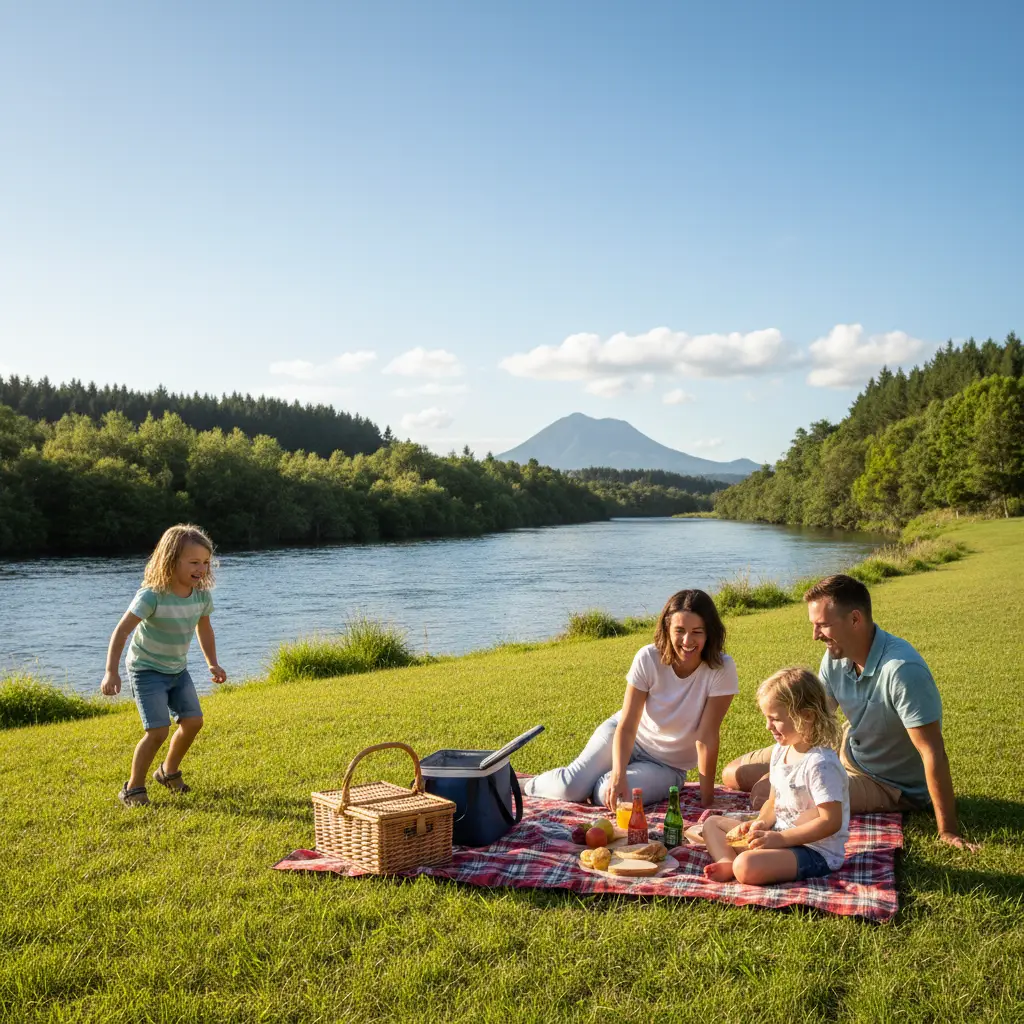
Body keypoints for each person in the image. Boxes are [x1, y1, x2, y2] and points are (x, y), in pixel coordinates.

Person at [722, 573, 977, 850]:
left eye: (823, 625)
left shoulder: (902, 671)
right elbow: (815, 721)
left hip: (886, 782)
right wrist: (788, 766)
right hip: (845, 752)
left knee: (764, 792)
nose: (815, 635)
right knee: (734, 774)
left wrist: (948, 831)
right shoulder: (836, 658)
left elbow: (932, 752)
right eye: (814, 625)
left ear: (855, 619)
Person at [523, 589, 738, 810]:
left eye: (697, 632)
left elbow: (707, 737)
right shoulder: (648, 658)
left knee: (609, 795)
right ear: (667, 629)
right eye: (679, 630)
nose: (687, 640)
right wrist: (618, 773)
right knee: (570, 788)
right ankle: (524, 785)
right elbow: (627, 725)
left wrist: (707, 800)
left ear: (709, 632)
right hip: (627, 736)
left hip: (667, 765)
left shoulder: (721, 669)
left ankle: (596, 783)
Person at [101, 524, 227, 807]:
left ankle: (168, 772)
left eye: (206, 562)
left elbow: (204, 629)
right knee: (157, 731)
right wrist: (111, 671)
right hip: (146, 670)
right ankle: (133, 788)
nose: (202, 568)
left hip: (177, 670)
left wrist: (212, 663)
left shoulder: (201, 595)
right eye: (194, 562)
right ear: (171, 561)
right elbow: (121, 631)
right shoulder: (152, 595)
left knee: (193, 721)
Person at [703, 667, 849, 884]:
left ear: (806, 716)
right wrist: (760, 823)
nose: (767, 726)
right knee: (711, 823)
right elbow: (773, 802)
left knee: (745, 866)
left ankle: (738, 863)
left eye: (775, 719)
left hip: (813, 850)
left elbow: (831, 822)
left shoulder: (821, 764)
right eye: (766, 718)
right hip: (778, 834)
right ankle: (726, 861)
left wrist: (780, 839)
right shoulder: (781, 751)